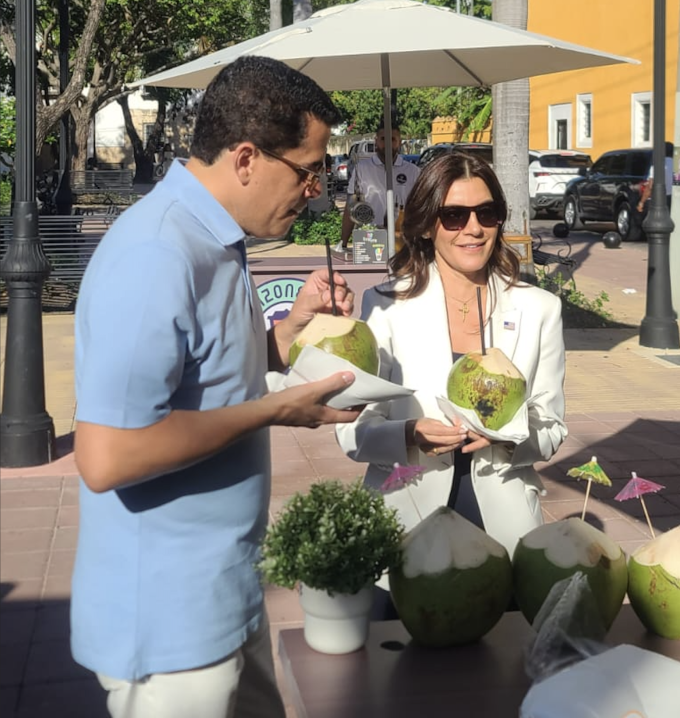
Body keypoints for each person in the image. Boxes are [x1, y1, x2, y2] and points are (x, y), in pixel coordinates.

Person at [71, 57, 363, 718]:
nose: (317, 188)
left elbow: (208, 377)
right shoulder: (157, 254)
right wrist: (269, 412)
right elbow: (106, 456)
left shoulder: (218, 239)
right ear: (246, 159)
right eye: (308, 168)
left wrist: (289, 333)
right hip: (168, 625)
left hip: (224, 596)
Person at [335, 152, 567, 577]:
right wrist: (408, 433)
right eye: (455, 216)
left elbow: (551, 427)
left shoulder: (539, 309)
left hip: (504, 523)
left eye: (487, 213)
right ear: (427, 224)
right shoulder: (385, 308)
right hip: (406, 515)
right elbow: (353, 430)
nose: (474, 229)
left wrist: (509, 437)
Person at [334, 123, 420, 253]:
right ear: (376, 141)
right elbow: (352, 206)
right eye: (383, 139)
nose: (388, 144)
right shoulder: (362, 169)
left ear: (399, 142)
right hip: (370, 240)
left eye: (392, 139)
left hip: (403, 242)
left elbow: (421, 208)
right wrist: (343, 242)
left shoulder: (413, 172)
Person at [637, 141, 674, 212]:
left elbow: (650, 186)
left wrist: (642, 202)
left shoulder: (657, 164)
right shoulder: (677, 165)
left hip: (659, 200)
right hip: (673, 200)